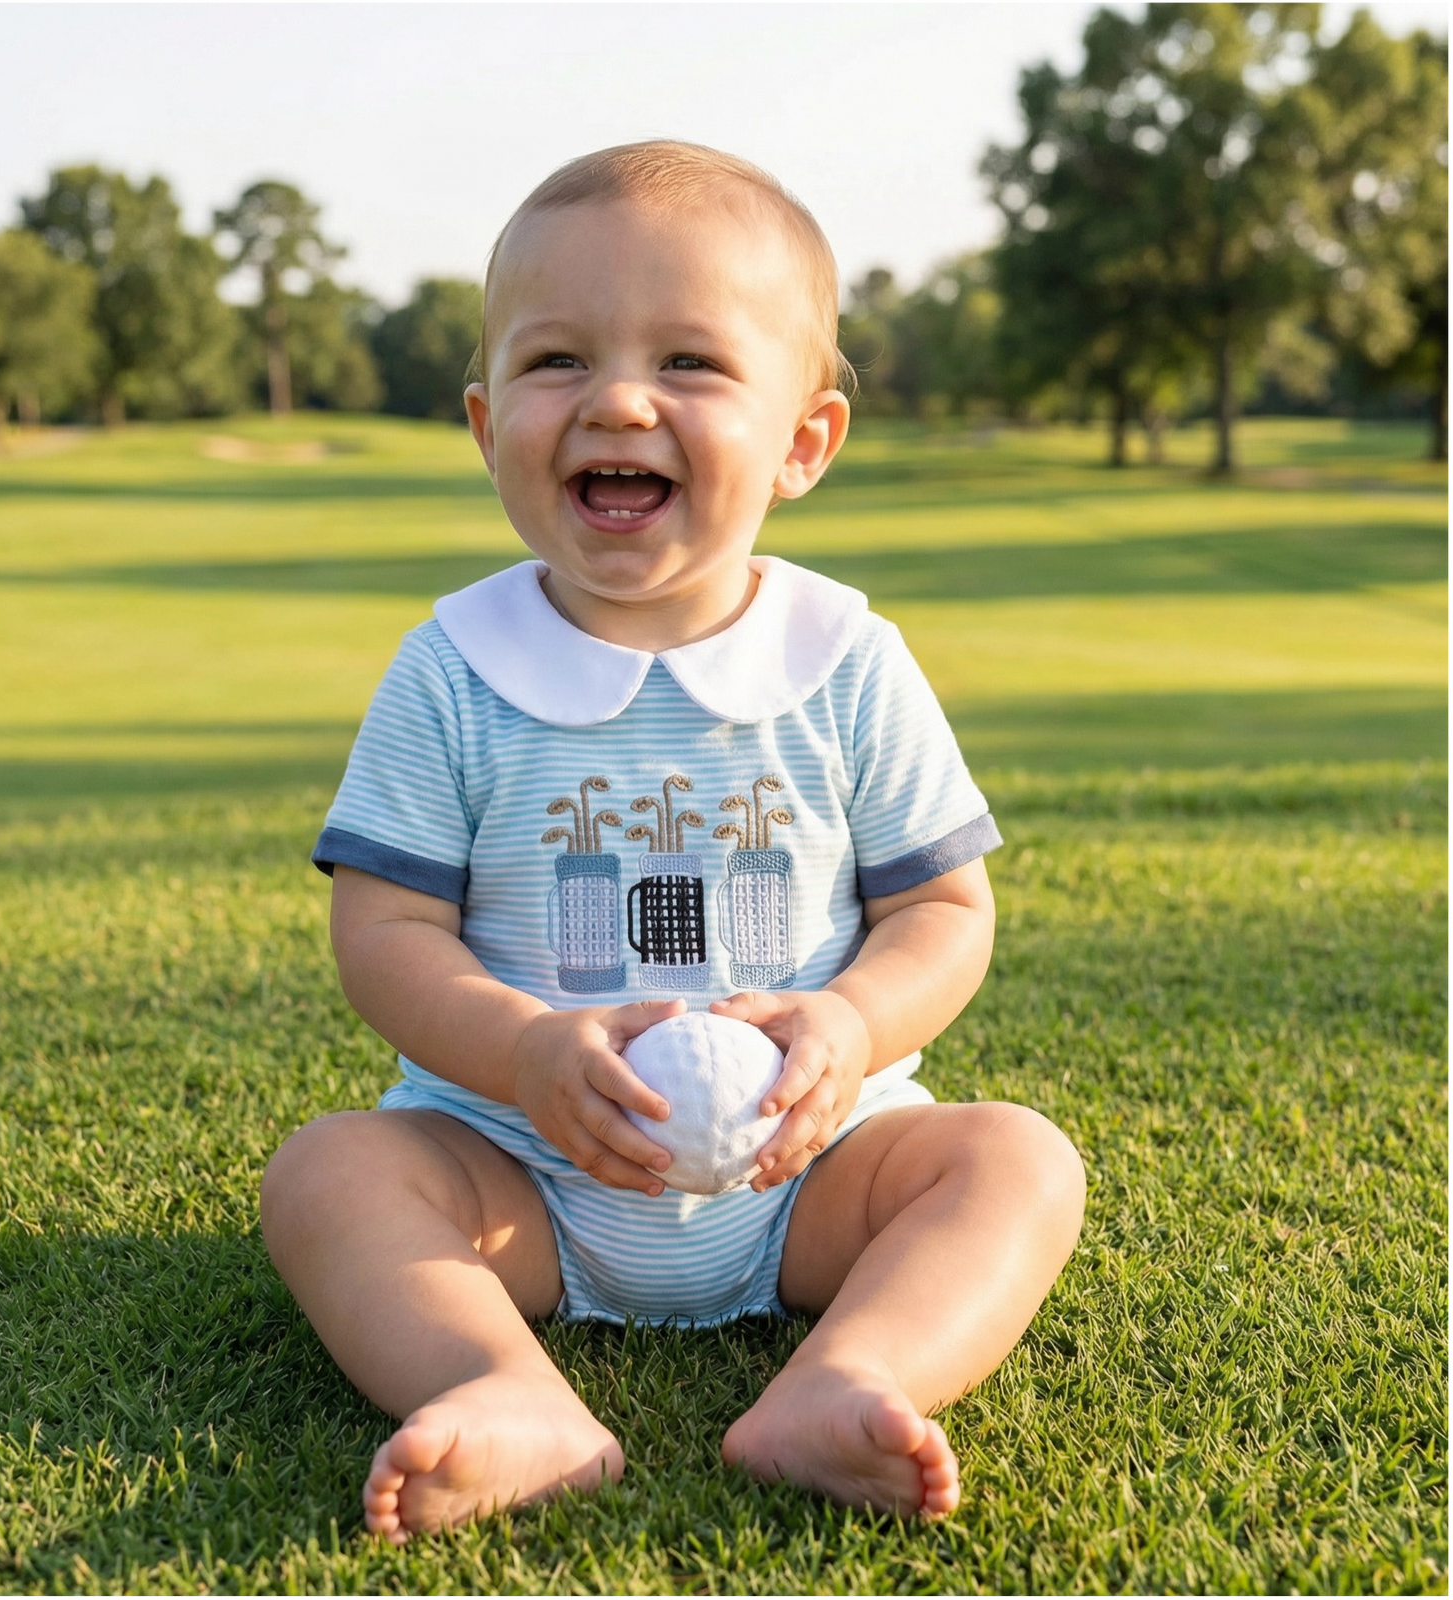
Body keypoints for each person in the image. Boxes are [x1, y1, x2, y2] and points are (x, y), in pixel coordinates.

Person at [259, 140, 1086, 1544]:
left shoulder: (848, 661)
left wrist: (850, 1024)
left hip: (810, 1174)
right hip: (519, 1174)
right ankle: (497, 1383)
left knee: (1018, 1161)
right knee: (327, 1173)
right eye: (557, 361)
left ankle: (851, 1376)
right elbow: (385, 932)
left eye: (690, 363)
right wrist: (523, 1050)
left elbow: (945, 911)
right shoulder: (452, 668)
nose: (618, 400)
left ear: (803, 441)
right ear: (486, 425)